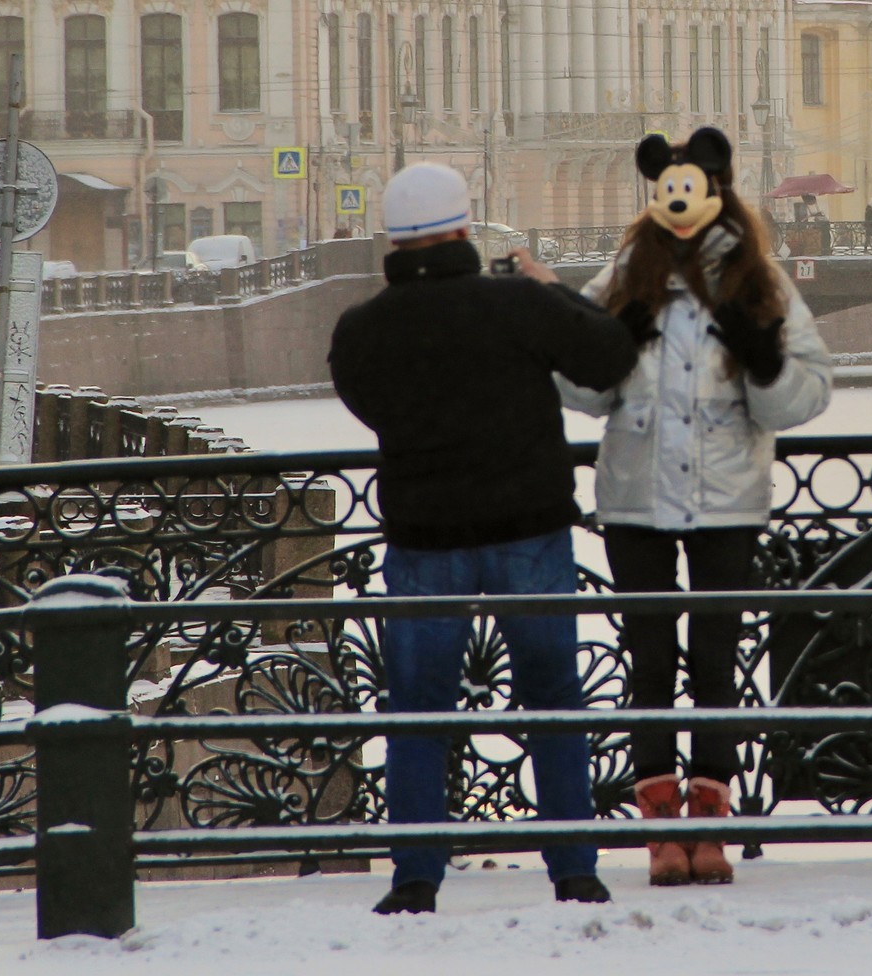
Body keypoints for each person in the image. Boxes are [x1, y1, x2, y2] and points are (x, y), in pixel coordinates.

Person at [327, 162, 640, 917]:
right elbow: (611, 357)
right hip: (527, 528)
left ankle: (415, 876)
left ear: (391, 244)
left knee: (419, 710)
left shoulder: (362, 330)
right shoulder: (518, 306)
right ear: (467, 229)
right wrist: (551, 287)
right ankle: (572, 867)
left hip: (424, 538)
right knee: (553, 699)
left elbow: (367, 404)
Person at [559, 128, 833, 890]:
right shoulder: (625, 271)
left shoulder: (759, 280)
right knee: (648, 660)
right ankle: (658, 827)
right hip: (635, 495)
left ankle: (709, 818)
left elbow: (809, 391)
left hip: (728, 497)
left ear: (719, 191)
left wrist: (767, 360)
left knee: (715, 660)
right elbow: (579, 390)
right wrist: (608, 346)